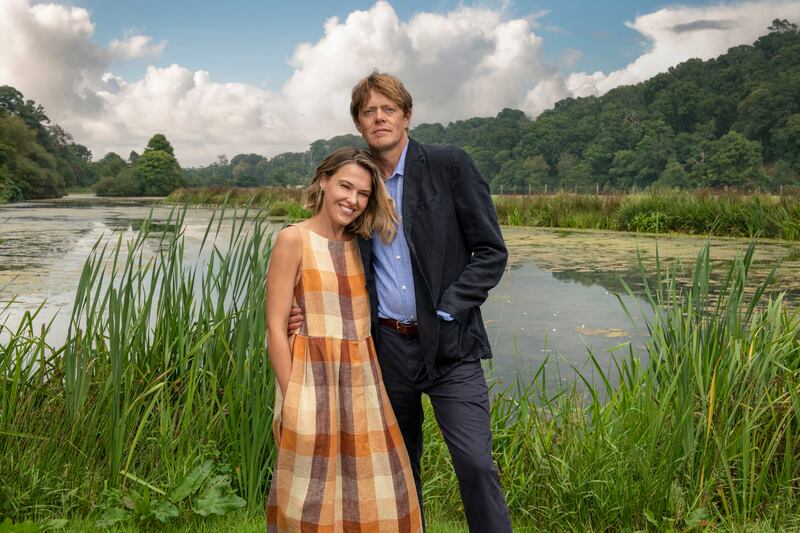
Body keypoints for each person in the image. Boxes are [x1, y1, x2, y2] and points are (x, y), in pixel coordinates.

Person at [290, 72, 512, 531]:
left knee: (475, 462)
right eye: (369, 111)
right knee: (398, 470)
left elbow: (491, 252)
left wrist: (449, 309)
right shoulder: (358, 182)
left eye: (388, 109)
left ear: (406, 116)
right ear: (358, 122)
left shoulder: (449, 165)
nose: (379, 118)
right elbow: (326, 245)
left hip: (452, 346)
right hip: (386, 348)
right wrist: (303, 308)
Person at [265, 147, 422, 532]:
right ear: (323, 181)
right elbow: (274, 327)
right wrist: (295, 396)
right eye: (345, 186)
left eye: (363, 193)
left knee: (378, 491)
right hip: (309, 382)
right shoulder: (293, 239)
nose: (352, 200)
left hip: (362, 384)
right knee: (308, 495)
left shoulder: (363, 243)